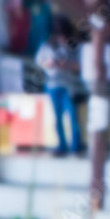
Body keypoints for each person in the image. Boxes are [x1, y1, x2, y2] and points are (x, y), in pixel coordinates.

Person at [36, 16, 82, 155]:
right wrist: (49, 64)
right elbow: (39, 62)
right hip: (53, 85)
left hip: (69, 85)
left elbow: (80, 65)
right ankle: (61, 144)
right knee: (57, 118)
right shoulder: (47, 46)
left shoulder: (73, 46)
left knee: (73, 116)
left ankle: (76, 145)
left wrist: (66, 66)